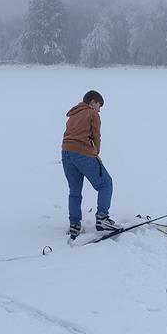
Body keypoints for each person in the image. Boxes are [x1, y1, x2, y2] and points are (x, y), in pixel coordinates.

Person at [61, 90, 120, 239]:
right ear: (93, 102)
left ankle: (74, 225)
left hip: (66, 153)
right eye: (99, 105)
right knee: (106, 183)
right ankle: (102, 219)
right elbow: (96, 136)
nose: (99, 109)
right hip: (82, 153)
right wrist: (96, 154)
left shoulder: (73, 115)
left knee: (74, 190)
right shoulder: (92, 114)